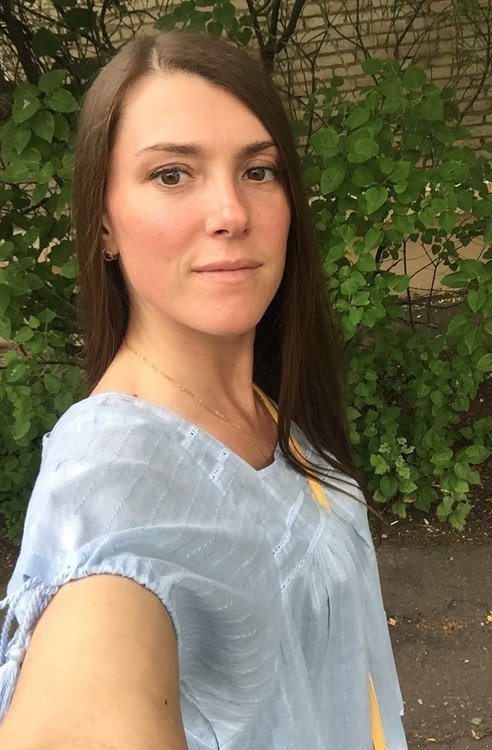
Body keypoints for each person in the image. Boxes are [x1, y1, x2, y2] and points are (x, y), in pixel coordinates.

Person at [0, 31, 407, 750]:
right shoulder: (114, 487)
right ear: (103, 224)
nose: (231, 213)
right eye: (171, 175)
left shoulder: (265, 408)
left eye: (258, 171)